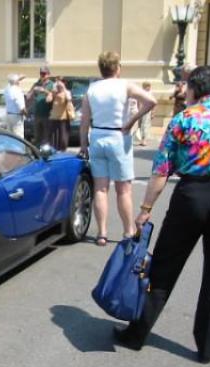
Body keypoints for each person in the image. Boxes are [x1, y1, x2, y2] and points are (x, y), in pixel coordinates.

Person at [114, 66, 210, 364]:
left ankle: (136, 334)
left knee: (164, 268)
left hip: (191, 196)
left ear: (196, 88)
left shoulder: (185, 118)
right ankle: (208, 348)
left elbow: (161, 170)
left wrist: (145, 210)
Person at [79, 51, 156, 246]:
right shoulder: (125, 85)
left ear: (101, 68)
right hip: (118, 137)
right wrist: (131, 121)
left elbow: (84, 121)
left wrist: (83, 145)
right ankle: (128, 231)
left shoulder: (92, 89)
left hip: (97, 137)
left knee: (100, 189)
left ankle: (102, 233)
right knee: (123, 190)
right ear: (117, 68)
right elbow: (151, 102)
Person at [28, 66, 55, 145]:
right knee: (37, 136)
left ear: (48, 74)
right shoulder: (36, 84)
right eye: (41, 73)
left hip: (47, 114)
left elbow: (54, 96)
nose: (42, 75)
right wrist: (33, 91)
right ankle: (37, 151)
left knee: (46, 136)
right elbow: (28, 96)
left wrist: (44, 91)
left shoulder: (52, 84)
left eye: (44, 73)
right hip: (37, 114)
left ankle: (46, 152)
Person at [47, 78, 72, 151]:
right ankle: (54, 150)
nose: (58, 86)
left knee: (63, 137)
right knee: (54, 137)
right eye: (57, 85)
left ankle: (62, 150)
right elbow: (48, 100)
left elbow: (69, 99)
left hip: (63, 118)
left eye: (59, 85)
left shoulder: (67, 92)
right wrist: (52, 93)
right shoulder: (54, 93)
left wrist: (63, 89)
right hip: (54, 117)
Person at [4, 73, 27, 138]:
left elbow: (11, 82)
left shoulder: (7, 89)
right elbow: (21, 107)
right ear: (17, 81)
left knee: (10, 137)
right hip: (16, 116)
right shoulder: (17, 90)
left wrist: (18, 78)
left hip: (9, 115)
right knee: (18, 137)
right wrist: (26, 114)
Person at [135, 81, 154, 146]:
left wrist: (153, 112)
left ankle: (144, 140)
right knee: (140, 125)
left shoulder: (150, 93)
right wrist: (138, 109)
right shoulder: (141, 93)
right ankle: (141, 139)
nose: (149, 88)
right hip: (141, 110)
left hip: (147, 110)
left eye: (149, 86)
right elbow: (138, 101)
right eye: (147, 86)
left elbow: (153, 103)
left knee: (145, 125)